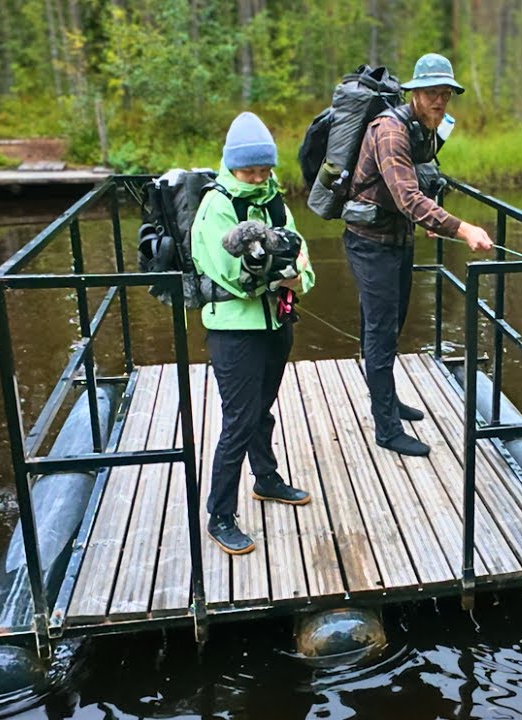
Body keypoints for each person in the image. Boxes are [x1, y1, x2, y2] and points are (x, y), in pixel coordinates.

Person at [342, 53, 494, 457]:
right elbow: (407, 197)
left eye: (445, 94)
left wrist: (428, 217)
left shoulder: (422, 127)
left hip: (398, 239)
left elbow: (416, 184)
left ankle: (388, 401)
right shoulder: (390, 131)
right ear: (414, 93)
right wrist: (462, 228)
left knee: (393, 325)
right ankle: (386, 428)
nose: (439, 101)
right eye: (431, 93)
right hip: (370, 242)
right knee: (379, 331)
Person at [192, 111, 316, 555]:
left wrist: (298, 278)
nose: (258, 176)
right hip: (234, 334)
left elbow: (303, 259)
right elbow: (230, 277)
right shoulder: (215, 207)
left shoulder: (274, 199)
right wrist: (275, 275)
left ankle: (266, 480)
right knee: (239, 421)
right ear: (231, 165)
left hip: (276, 323)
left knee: (261, 411)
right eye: (249, 170)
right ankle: (219, 514)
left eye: (265, 169)